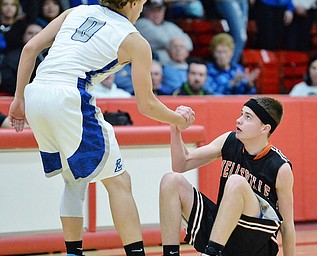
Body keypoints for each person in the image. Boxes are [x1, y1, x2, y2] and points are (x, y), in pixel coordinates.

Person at [8, 1, 195, 256]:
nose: (142, 8)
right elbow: (146, 104)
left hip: (37, 92)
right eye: (141, 3)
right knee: (119, 181)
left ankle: (74, 252)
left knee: (73, 180)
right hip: (70, 95)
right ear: (131, 3)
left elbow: (30, 48)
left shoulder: (76, 11)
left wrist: (19, 99)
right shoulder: (134, 40)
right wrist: (177, 119)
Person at [160, 96, 296, 256]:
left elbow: (287, 226)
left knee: (236, 182)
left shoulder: (280, 167)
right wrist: (175, 126)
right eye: (241, 114)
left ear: (264, 129)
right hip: (222, 232)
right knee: (170, 181)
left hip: (254, 243)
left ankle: (212, 253)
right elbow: (180, 164)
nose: (238, 120)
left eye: (248, 117)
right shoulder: (229, 141)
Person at [134, 0, 193, 65]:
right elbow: (161, 39)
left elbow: (189, 44)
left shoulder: (169, 25)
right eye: (152, 11)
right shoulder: (141, 23)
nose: (156, 14)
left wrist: (174, 46)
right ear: (145, 11)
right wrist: (180, 45)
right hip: (155, 65)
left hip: (174, 65)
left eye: (159, 10)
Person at [0, 22, 44, 95]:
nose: (34, 36)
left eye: (38, 33)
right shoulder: (11, 58)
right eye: (30, 33)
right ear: (23, 36)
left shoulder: (52, 55)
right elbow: (8, 83)